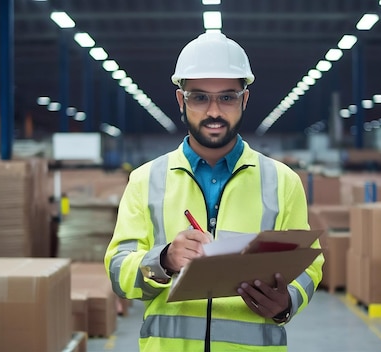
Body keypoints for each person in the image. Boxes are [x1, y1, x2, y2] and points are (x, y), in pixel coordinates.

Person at [104, 32, 324, 352]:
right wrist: (164, 260)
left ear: (244, 100)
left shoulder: (282, 181)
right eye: (199, 97)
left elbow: (309, 265)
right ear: (181, 100)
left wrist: (287, 301)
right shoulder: (145, 180)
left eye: (227, 97)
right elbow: (118, 270)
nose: (214, 112)